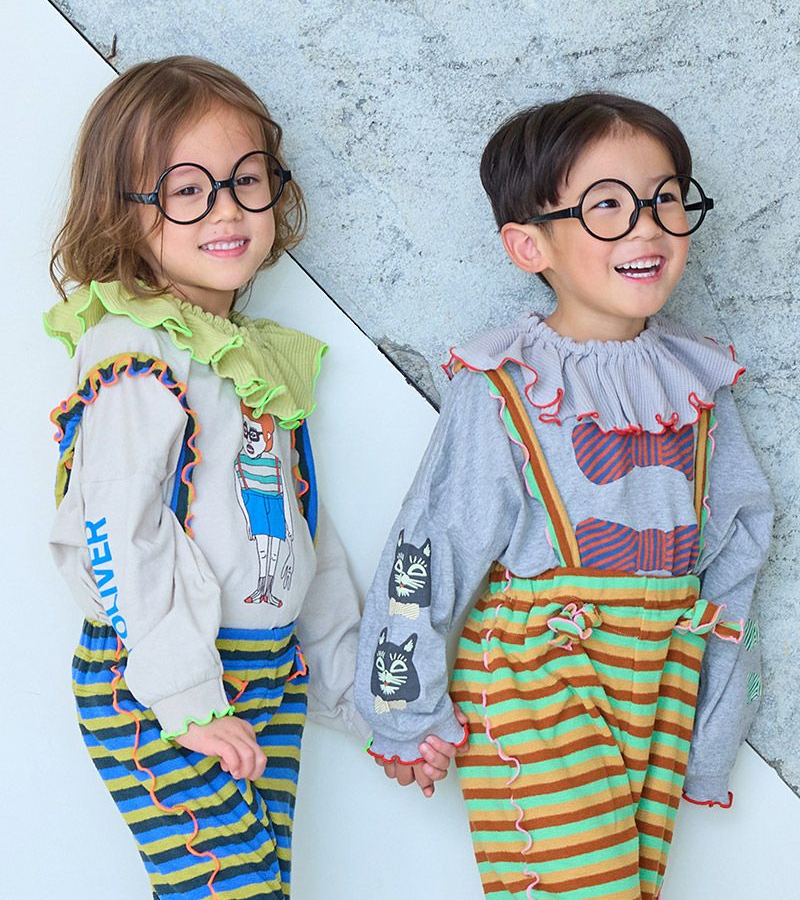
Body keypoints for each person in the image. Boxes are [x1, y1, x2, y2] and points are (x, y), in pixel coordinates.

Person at [354, 92, 773, 899]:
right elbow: (433, 542)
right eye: (607, 206)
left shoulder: (699, 384)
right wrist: (402, 709)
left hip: (659, 677)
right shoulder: (503, 386)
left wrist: (715, 729)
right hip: (538, 675)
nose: (647, 228)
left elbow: (736, 562)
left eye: (664, 198)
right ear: (528, 244)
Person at [45, 55, 366, 900]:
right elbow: (120, 529)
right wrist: (186, 694)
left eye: (245, 181)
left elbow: (303, 533)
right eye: (187, 190)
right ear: (122, 210)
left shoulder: (249, 358)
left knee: (257, 888)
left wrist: (362, 698)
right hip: (161, 679)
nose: (226, 209)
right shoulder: (132, 349)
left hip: (265, 673)